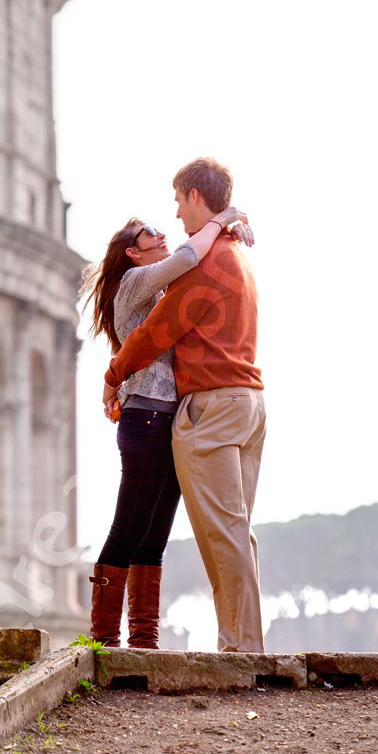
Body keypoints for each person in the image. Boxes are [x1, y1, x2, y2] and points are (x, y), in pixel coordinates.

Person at [103, 157, 266, 652]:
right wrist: (228, 218)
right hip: (247, 402)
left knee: (223, 535)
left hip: (211, 406)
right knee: (234, 531)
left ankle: (241, 649)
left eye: (177, 201)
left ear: (196, 195)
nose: (174, 216)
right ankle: (238, 643)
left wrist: (111, 376)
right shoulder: (236, 255)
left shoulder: (208, 261)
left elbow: (157, 332)